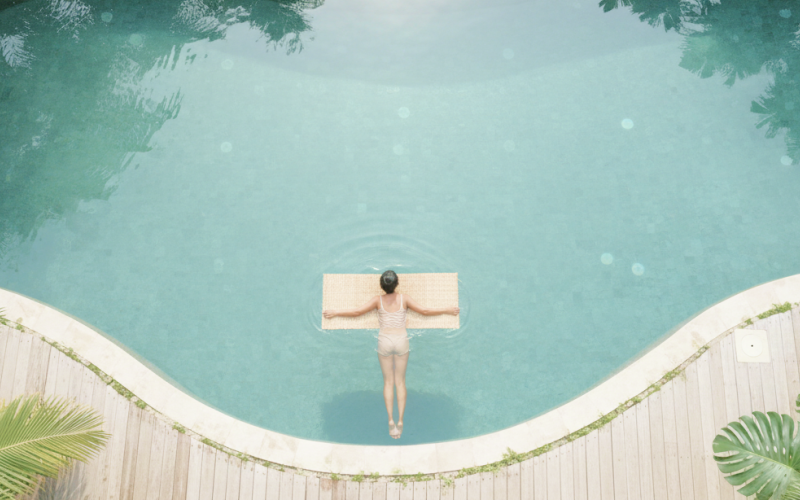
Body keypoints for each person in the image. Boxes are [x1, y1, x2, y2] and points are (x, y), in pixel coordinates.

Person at [323, 270, 459, 439]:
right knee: (400, 382)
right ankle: (401, 420)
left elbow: (357, 312)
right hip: (401, 340)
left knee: (388, 382)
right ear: (397, 284)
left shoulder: (377, 300)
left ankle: (390, 420)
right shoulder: (405, 299)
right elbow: (424, 311)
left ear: (381, 285)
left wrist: (335, 312)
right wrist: (448, 310)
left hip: (384, 341)